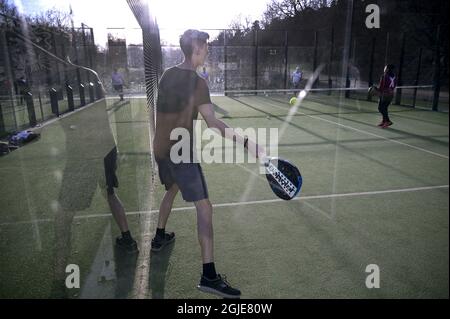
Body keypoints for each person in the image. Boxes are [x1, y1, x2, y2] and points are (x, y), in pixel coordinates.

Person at [151, 29, 264, 299]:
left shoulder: (167, 74)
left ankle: (159, 236)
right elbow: (213, 123)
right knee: (205, 207)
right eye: (206, 47)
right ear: (197, 48)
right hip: (180, 150)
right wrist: (248, 143)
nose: (208, 51)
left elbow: (163, 110)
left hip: (160, 147)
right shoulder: (198, 81)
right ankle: (209, 275)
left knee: (172, 189)